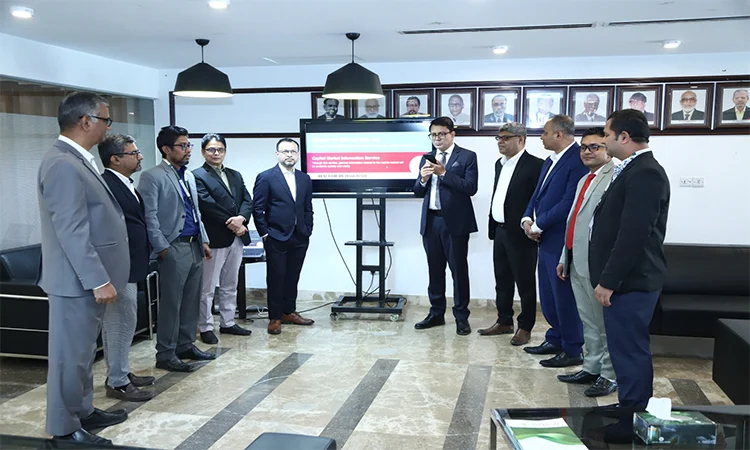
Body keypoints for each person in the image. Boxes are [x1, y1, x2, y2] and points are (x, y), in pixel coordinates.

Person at [38, 91, 128, 444]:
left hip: (83, 281)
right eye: (106, 120)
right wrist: (98, 279)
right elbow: (71, 230)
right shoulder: (62, 163)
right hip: (75, 281)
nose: (109, 127)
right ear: (86, 121)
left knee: (84, 353)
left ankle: (83, 411)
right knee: (69, 358)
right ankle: (64, 430)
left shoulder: (78, 159)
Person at [589, 109, 670, 411]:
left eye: (607, 135)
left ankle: (634, 411)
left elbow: (633, 234)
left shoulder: (646, 172)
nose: (604, 141)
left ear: (624, 137)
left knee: (630, 349)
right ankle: (629, 403)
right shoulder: (632, 169)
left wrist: (609, 280)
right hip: (626, 280)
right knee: (622, 348)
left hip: (632, 281)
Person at [138, 125, 215, 372]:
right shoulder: (152, 176)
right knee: (171, 303)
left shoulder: (188, 176)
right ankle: (165, 353)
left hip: (194, 246)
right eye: (182, 146)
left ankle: (185, 344)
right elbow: (149, 217)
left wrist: (204, 240)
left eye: (188, 145)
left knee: (191, 300)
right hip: (173, 247)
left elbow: (195, 212)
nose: (188, 150)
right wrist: (162, 248)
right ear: (166, 149)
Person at [555, 127, 617, 398]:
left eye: (595, 147)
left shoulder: (615, 177)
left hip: (596, 262)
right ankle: (591, 367)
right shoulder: (585, 179)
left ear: (607, 149)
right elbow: (574, 220)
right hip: (575, 258)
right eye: (583, 147)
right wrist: (564, 256)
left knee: (603, 324)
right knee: (588, 321)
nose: (588, 152)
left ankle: (609, 375)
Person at [521, 115, 588, 367]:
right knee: (549, 295)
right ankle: (555, 338)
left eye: (545, 132)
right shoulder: (550, 160)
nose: (541, 137)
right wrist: (527, 219)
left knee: (563, 296)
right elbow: (537, 195)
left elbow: (569, 201)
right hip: (544, 238)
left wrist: (539, 224)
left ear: (559, 134)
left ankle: (572, 348)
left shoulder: (577, 159)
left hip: (560, 238)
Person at [98, 134, 156, 402]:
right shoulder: (106, 185)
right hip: (118, 267)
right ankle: (118, 382)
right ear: (115, 159)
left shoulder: (125, 183)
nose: (140, 156)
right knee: (120, 321)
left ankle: (119, 372)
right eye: (133, 153)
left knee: (122, 321)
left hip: (132, 263)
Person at [478, 123, 543, 345]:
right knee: (502, 280)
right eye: (498, 138)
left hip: (521, 233)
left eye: (505, 138)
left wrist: (534, 225)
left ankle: (525, 326)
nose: (500, 142)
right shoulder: (500, 164)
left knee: (525, 283)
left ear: (521, 139)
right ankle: (504, 321)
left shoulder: (535, 165)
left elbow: (539, 200)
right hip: (500, 231)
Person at [413, 117, 478, 336]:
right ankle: (436, 313)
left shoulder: (467, 156)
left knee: (458, 272)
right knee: (434, 270)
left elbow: (470, 187)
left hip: (455, 223)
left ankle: (461, 317)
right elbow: (417, 191)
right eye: (433, 135)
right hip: (431, 221)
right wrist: (422, 180)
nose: (437, 138)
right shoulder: (426, 158)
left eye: (441, 134)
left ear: (452, 134)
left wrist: (444, 174)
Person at [193, 133, 254, 344]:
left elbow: (247, 200)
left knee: (230, 283)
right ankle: (206, 326)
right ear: (203, 152)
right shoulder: (197, 175)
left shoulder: (234, 174)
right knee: (208, 288)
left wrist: (242, 218)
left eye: (220, 149)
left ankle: (228, 322)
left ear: (225, 151)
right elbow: (207, 204)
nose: (216, 153)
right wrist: (233, 222)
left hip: (237, 237)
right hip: (215, 238)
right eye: (211, 149)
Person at [252, 138, 315, 335]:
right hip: (276, 236)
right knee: (276, 277)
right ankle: (275, 317)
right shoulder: (266, 177)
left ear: (298, 155)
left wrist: (308, 228)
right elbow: (258, 208)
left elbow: (307, 207)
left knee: (293, 276)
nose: (289, 155)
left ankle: (289, 312)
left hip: (300, 236)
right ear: (277, 154)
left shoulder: (304, 178)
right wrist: (264, 233)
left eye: (293, 152)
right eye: (285, 151)